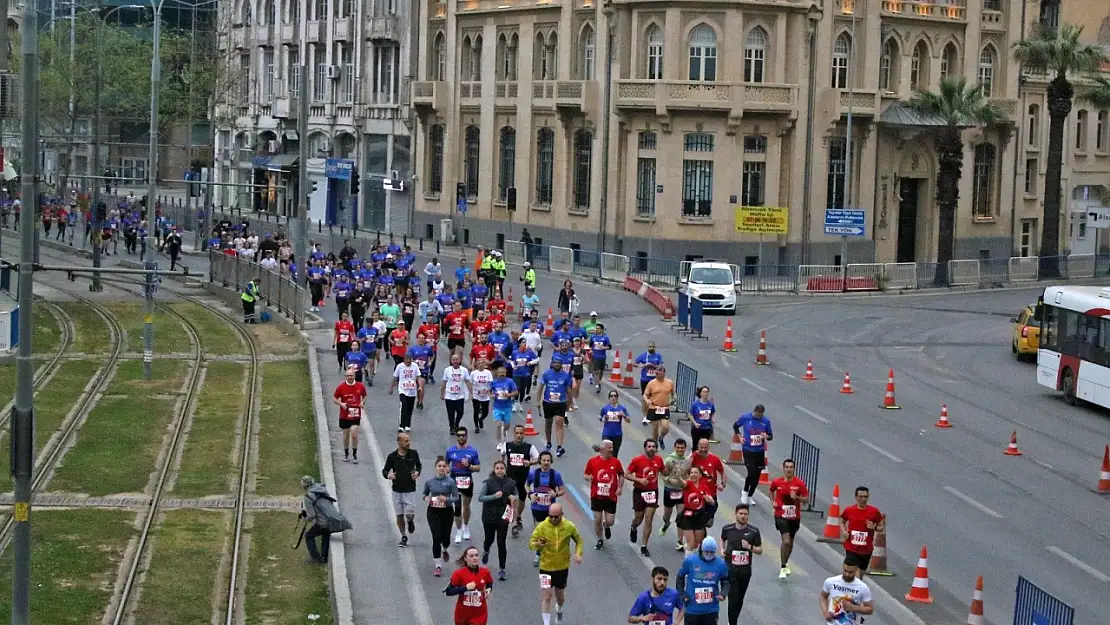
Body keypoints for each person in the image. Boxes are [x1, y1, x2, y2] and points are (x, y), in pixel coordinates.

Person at [528, 502, 584, 625]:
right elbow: (531, 544)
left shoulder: (569, 526)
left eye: (556, 517)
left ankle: (559, 608)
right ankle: (546, 623)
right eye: (551, 516)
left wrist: (578, 553)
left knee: (560, 597)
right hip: (545, 567)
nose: (553, 519)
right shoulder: (542, 527)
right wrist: (537, 544)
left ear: (562, 515)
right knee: (547, 596)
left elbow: (579, 541)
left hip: (561, 567)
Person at [719, 504, 762, 625]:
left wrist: (750, 547)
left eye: (745, 514)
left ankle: (733, 620)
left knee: (739, 599)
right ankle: (732, 622)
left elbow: (760, 550)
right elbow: (722, 538)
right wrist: (722, 549)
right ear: (735, 514)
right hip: (730, 569)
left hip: (745, 570)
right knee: (733, 598)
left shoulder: (753, 531)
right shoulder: (727, 529)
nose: (743, 516)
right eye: (741, 514)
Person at [769, 458, 809, 579]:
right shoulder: (777, 482)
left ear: (794, 469)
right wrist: (773, 502)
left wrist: (797, 497)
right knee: (785, 540)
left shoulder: (799, 483)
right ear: (783, 468)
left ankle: (785, 563)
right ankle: (782, 566)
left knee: (790, 542)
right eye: (787, 467)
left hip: (794, 517)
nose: (789, 469)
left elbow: (806, 500)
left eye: (791, 467)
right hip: (781, 515)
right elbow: (771, 490)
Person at [477, 460, 517, 580]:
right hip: (489, 516)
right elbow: (480, 497)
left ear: (505, 470)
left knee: (501, 542)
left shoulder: (510, 482)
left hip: (503, 517)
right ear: (494, 470)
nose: (500, 470)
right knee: (489, 539)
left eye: (502, 468)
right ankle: (486, 550)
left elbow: (516, 495)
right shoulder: (488, 483)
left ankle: (502, 569)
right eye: (497, 468)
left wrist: (513, 497)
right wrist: (494, 496)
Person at [676, 537, 729, 625]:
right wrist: (682, 594)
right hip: (692, 609)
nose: (709, 554)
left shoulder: (721, 564)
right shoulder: (690, 561)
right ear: (702, 550)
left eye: (711, 552)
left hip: (711, 610)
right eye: (706, 552)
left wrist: (723, 594)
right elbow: (680, 577)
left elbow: (726, 581)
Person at [300, 476, 352, 563]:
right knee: (326, 534)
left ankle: (316, 559)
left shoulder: (308, 496)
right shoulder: (322, 489)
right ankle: (324, 558)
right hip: (331, 520)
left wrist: (304, 518)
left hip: (323, 523)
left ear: (304, 486)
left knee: (309, 536)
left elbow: (311, 515)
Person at [626, 439, 665, 557]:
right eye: (649, 446)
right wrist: (639, 480)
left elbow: (664, 471)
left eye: (653, 446)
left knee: (649, 519)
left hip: (652, 492)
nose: (651, 448)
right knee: (639, 518)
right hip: (639, 492)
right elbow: (626, 474)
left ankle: (644, 546)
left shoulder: (658, 460)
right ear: (645, 448)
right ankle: (633, 527)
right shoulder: (637, 460)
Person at [382, 432, 422, 547]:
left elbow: (418, 465)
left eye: (409, 441)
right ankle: (403, 536)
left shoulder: (413, 454)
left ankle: (410, 521)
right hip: (397, 489)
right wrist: (388, 475)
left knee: (409, 512)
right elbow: (385, 470)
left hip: (410, 489)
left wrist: (417, 472)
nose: (408, 443)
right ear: (399, 442)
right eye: (405, 441)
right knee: (399, 514)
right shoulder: (392, 456)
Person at [424, 457, 462, 576]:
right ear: (435, 468)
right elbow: (424, 493)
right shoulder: (429, 481)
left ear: (447, 468)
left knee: (445, 537)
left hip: (447, 511)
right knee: (436, 537)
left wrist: (447, 499)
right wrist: (426, 498)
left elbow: (456, 498)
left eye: (444, 466)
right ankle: (438, 565)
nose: (441, 468)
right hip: (433, 511)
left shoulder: (450, 482)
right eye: (439, 466)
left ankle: (445, 548)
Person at [584, 439, 624, 550]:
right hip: (597, 495)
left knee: (610, 521)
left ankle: (606, 526)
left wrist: (620, 487)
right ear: (602, 449)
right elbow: (586, 474)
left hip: (611, 496)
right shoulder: (592, 461)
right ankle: (600, 539)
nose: (612, 450)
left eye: (612, 447)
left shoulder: (616, 462)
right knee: (597, 519)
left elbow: (621, 475)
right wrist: (589, 478)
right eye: (609, 448)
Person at [526, 450, 565, 566]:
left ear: (551, 461)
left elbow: (562, 490)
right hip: (537, 507)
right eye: (544, 460)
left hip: (551, 510)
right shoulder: (534, 473)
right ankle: (539, 554)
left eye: (548, 460)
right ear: (540, 461)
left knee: (550, 532)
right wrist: (530, 494)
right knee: (541, 532)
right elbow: (526, 485)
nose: (546, 463)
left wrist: (556, 494)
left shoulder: (555, 475)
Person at [839, 486, 885, 578]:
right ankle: (851, 589)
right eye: (861, 497)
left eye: (866, 497)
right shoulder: (849, 510)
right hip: (851, 547)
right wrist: (844, 531)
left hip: (866, 550)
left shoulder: (874, 511)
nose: (864, 499)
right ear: (856, 497)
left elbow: (881, 527)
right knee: (852, 573)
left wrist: (874, 527)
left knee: (861, 574)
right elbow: (842, 521)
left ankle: (857, 588)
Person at [446, 427, 482, 543]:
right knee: (457, 508)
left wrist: (469, 466)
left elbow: (478, 468)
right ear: (456, 436)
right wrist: (448, 469)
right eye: (459, 435)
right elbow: (445, 465)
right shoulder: (450, 451)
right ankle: (458, 530)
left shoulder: (473, 451)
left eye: (463, 435)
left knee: (466, 507)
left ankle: (465, 527)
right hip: (454, 481)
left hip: (467, 481)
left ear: (466, 436)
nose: (461, 437)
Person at [503, 424, 539, 537]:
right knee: (513, 500)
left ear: (524, 434)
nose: (519, 435)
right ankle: (514, 523)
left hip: (523, 479)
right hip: (510, 480)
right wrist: (501, 469)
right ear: (514, 434)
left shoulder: (529, 447)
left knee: (522, 499)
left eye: (521, 433)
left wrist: (531, 462)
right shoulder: (507, 445)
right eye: (517, 433)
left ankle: (518, 517)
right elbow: (502, 457)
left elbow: (538, 458)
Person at [732, 405, 773, 505]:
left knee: (757, 475)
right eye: (757, 415)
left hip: (759, 451)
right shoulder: (746, 417)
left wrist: (766, 436)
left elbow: (771, 436)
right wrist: (740, 437)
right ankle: (745, 492)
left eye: (760, 415)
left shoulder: (766, 421)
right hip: (748, 450)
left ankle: (750, 496)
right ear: (754, 411)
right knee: (752, 472)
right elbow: (735, 426)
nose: (758, 417)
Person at [444, 546, 495, 625]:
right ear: (465, 558)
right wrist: (465, 588)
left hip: (480, 614)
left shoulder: (485, 572)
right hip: (462, 614)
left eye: (476, 555)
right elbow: (448, 591)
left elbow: (489, 583)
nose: (474, 558)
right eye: (471, 556)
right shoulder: (459, 574)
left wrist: (488, 590)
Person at [660, 438, 691, 552]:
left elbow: (689, 475)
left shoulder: (688, 461)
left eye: (682, 448)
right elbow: (662, 474)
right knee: (666, 516)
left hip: (681, 492)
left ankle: (679, 540)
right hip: (669, 490)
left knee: (680, 516)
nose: (680, 450)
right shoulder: (669, 460)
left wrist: (686, 482)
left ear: (685, 448)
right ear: (674, 447)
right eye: (678, 447)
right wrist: (667, 480)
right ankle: (666, 524)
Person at [820, 560, 874, 625]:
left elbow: (870, 610)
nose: (847, 574)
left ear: (856, 570)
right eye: (845, 571)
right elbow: (823, 596)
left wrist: (854, 608)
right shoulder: (830, 581)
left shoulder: (863, 587)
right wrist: (825, 612)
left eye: (850, 572)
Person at [677, 465, 715, 554]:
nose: (693, 474)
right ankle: (688, 564)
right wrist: (678, 475)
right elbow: (682, 483)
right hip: (687, 516)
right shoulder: (688, 484)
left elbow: (711, 501)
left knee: (696, 544)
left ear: (700, 475)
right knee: (691, 543)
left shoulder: (704, 487)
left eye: (696, 472)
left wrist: (710, 500)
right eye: (691, 473)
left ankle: (690, 550)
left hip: (699, 516)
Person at [538, 359, 573, 457]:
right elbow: (540, 387)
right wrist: (538, 401)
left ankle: (559, 447)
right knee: (548, 423)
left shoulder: (566, 375)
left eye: (559, 363)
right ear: (552, 364)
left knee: (559, 422)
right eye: (555, 363)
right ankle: (549, 442)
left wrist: (571, 401)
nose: (557, 364)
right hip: (548, 402)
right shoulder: (546, 374)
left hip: (561, 403)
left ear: (561, 364)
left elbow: (568, 389)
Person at [332, 366, 367, 463]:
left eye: (351, 375)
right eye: (347, 376)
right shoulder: (341, 387)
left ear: (354, 376)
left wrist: (362, 402)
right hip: (344, 415)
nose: (349, 377)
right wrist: (341, 404)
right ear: (345, 377)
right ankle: (346, 453)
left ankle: (355, 454)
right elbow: (334, 398)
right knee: (346, 434)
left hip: (355, 414)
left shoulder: (360, 386)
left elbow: (365, 395)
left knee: (354, 434)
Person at [643, 366, 675, 449]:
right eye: (657, 373)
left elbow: (673, 393)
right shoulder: (651, 383)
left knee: (665, 427)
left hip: (665, 408)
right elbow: (645, 395)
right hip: (654, 407)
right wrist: (647, 400)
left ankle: (661, 438)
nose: (658, 375)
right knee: (655, 428)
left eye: (661, 374)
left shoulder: (669, 383)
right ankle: (654, 446)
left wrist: (673, 399)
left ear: (664, 373)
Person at [389, 351, 423, 432]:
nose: (408, 361)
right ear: (404, 359)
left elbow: (418, 377)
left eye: (410, 359)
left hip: (412, 390)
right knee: (404, 406)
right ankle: (402, 425)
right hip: (403, 390)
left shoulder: (415, 366)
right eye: (406, 359)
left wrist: (420, 386)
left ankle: (407, 424)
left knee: (410, 408)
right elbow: (395, 377)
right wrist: (391, 388)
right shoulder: (400, 366)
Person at [489, 365, 519, 452]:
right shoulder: (494, 383)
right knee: (498, 425)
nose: (502, 376)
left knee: (506, 426)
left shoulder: (510, 381)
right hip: (497, 407)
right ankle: (499, 443)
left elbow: (516, 392)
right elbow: (489, 392)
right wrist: (492, 395)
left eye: (504, 374)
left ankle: (505, 431)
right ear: (497, 374)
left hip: (507, 407)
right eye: (500, 375)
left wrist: (509, 395)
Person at [441, 353, 473, 432]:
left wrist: (471, 392)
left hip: (460, 395)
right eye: (453, 360)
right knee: (450, 413)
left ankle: (456, 423)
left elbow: (467, 381)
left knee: (460, 412)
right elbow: (444, 382)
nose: (455, 361)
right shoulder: (447, 370)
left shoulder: (464, 370)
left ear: (460, 360)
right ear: (451, 361)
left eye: (457, 359)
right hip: (449, 395)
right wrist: (442, 393)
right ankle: (452, 427)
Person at [634, 343, 664, 425]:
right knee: (645, 397)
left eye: (653, 347)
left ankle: (652, 414)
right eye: (650, 346)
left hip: (654, 380)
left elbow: (661, 366)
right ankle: (645, 416)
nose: (652, 348)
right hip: (645, 379)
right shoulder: (643, 355)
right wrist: (642, 365)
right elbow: (634, 363)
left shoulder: (658, 356)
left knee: (654, 397)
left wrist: (652, 365)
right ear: (647, 347)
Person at [599, 390, 632, 458]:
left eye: (615, 396)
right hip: (607, 434)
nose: (613, 397)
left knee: (614, 455)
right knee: (607, 454)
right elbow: (600, 418)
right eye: (611, 396)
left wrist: (623, 415)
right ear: (609, 398)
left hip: (617, 435)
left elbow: (629, 420)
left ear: (617, 398)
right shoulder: (605, 408)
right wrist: (604, 419)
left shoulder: (622, 408)